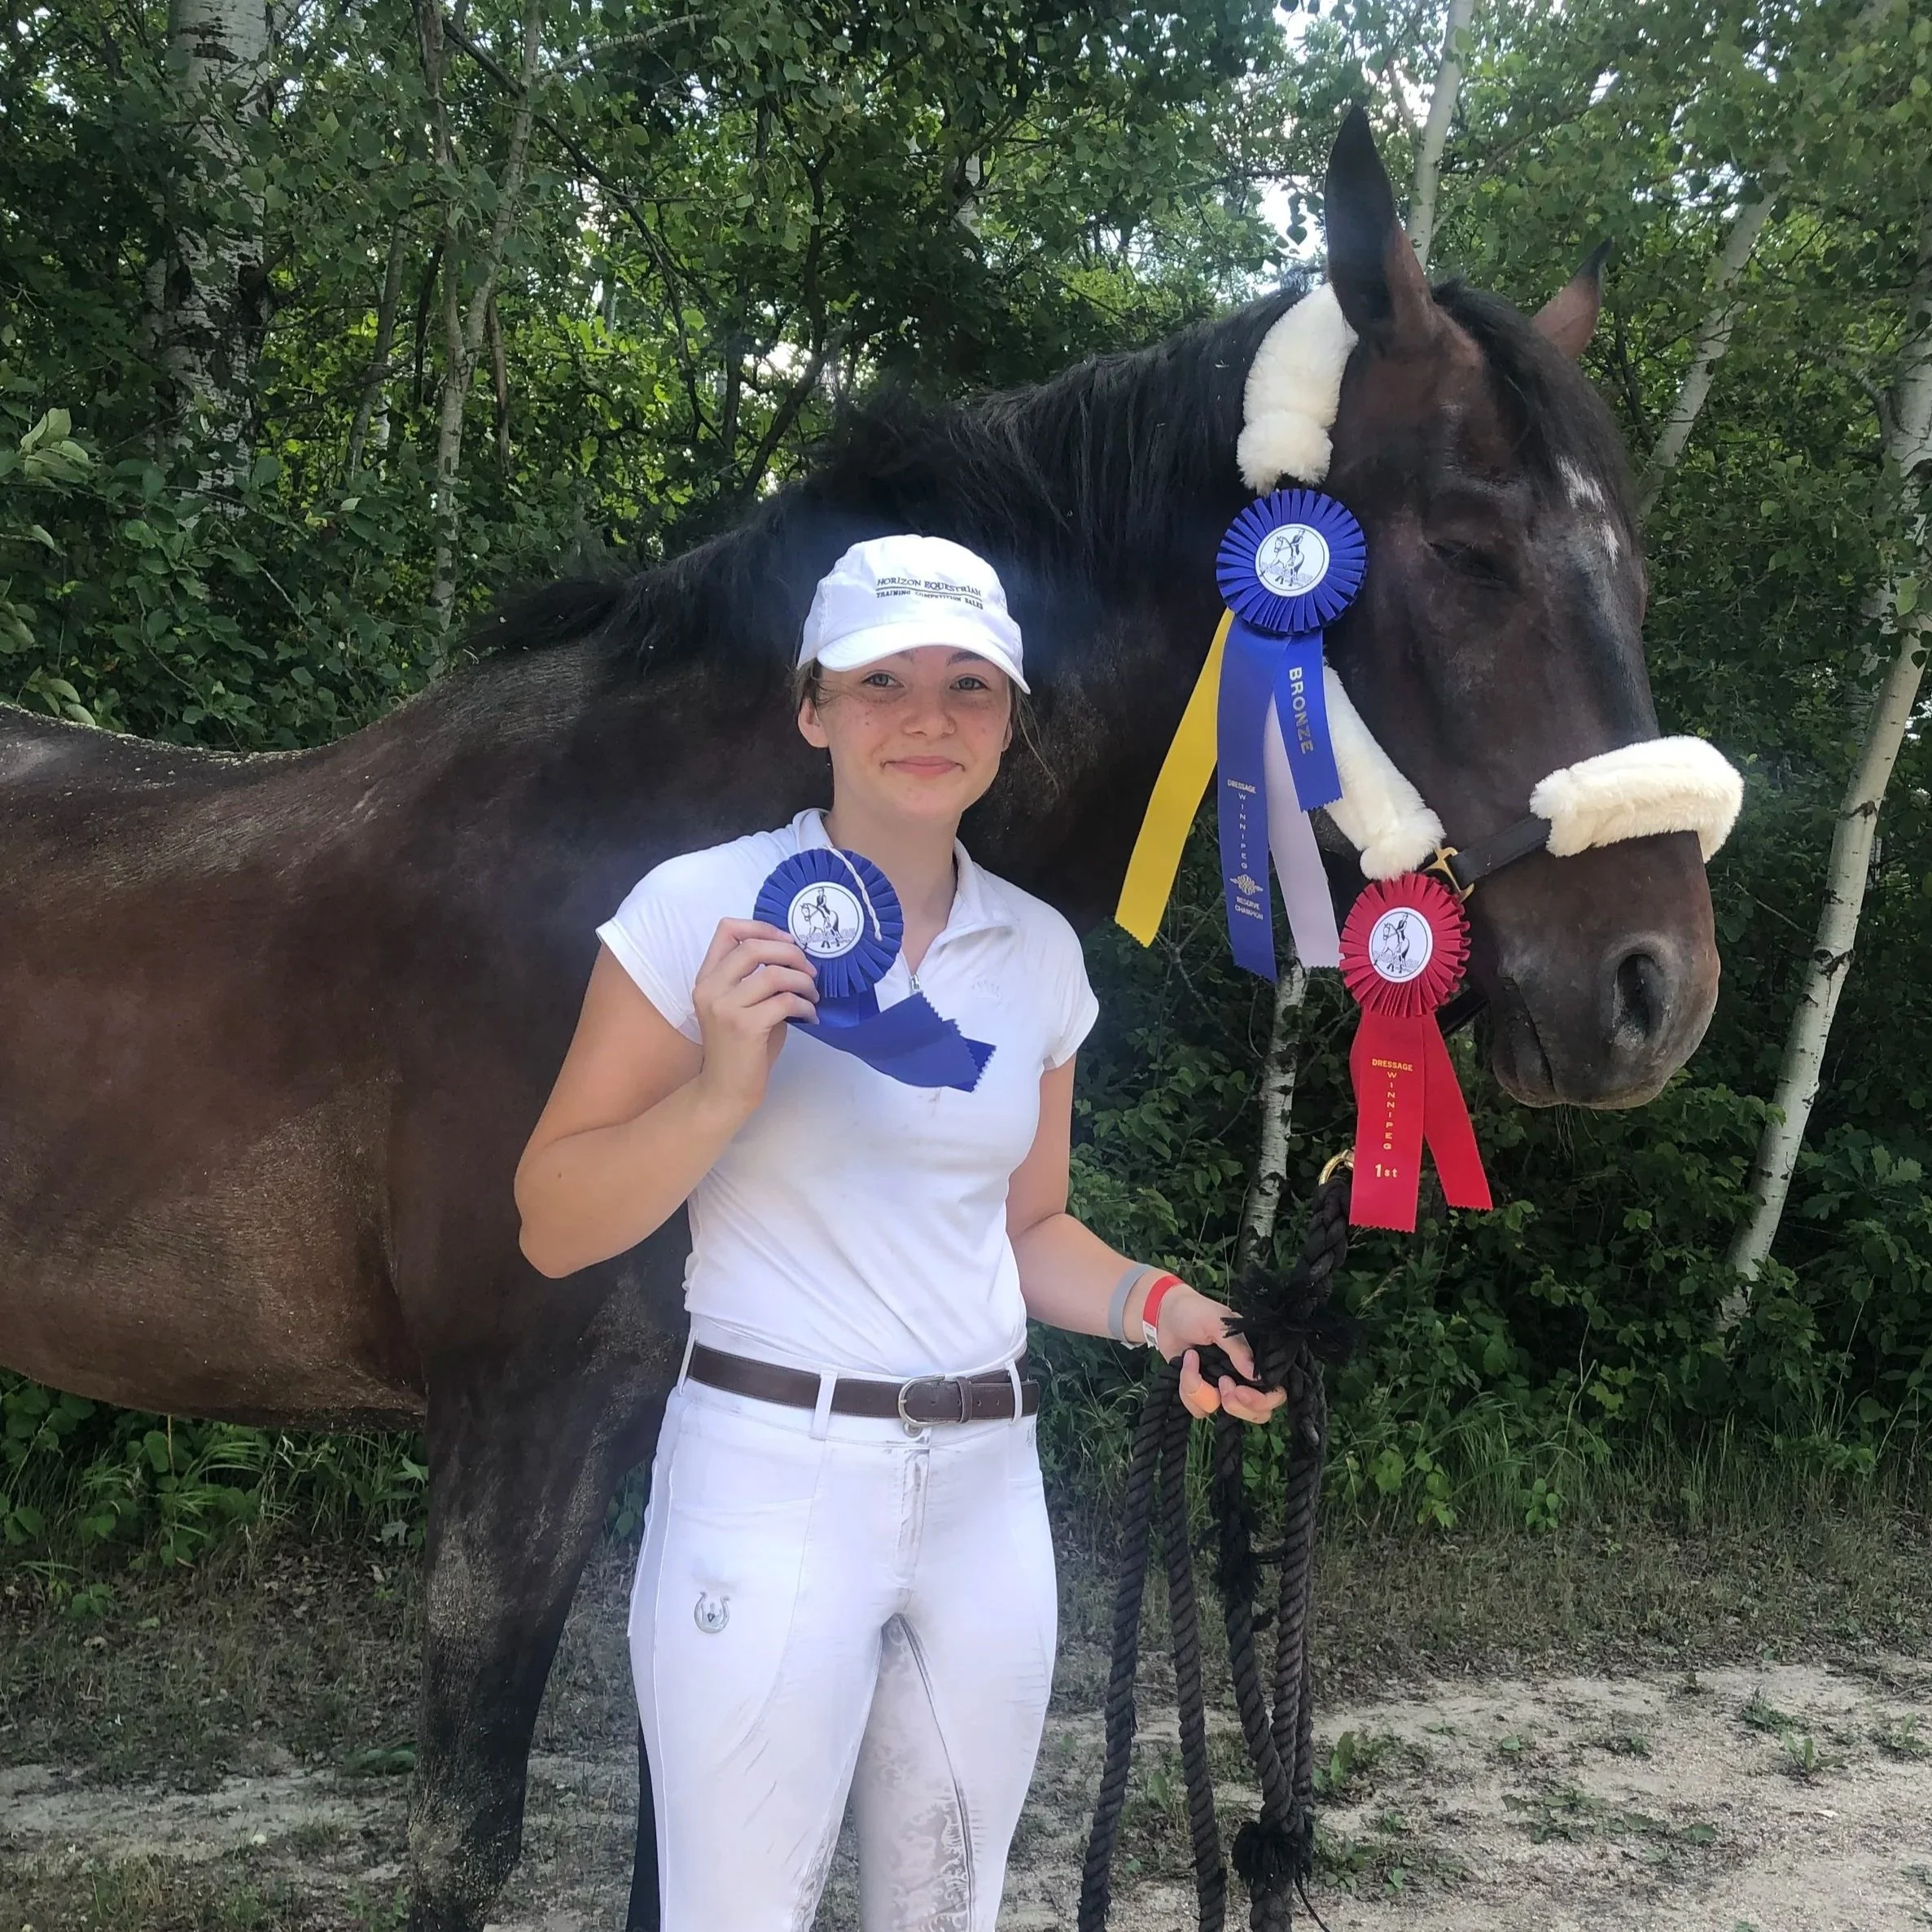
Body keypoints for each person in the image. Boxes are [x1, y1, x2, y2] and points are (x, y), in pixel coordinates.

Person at [514, 533, 1282, 1931]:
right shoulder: (700, 910)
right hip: (768, 1477)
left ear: (1008, 720)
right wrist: (722, 1089)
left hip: (991, 1492)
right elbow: (553, 1222)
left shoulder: (1039, 953)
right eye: (884, 681)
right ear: (814, 709)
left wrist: (1168, 1308)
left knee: (948, 1913)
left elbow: (1030, 1225)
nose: (928, 718)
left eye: (969, 686)